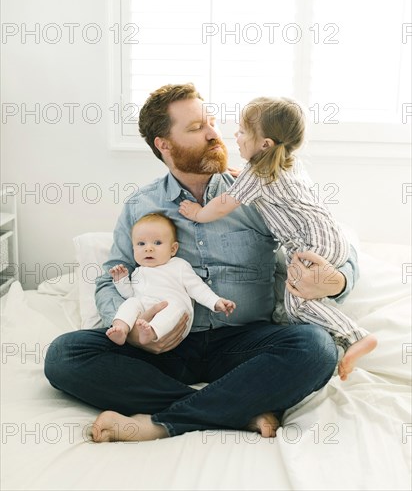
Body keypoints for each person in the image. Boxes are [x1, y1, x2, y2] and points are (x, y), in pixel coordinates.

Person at [44, 83, 359, 444]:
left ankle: (160, 422)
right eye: (196, 128)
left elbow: (336, 249)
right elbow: (109, 278)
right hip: (164, 343)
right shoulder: (140, 206)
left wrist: (336, 282)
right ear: (164, 144)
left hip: (245, 343)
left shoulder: (258, 189)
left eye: (210, 122)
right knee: (65, 355)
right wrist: (133, 330)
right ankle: (237, 409)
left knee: (315, 348)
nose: (214, 134)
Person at [179, 96, 377, 380]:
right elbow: (260, 187)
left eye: (243, 131)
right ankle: (339, 340)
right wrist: (242, 176)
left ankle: (356, 336)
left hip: (313, 245)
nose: (235, 135)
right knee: (299, 305)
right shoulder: (284, 165)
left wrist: (198, 214)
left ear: (265, 145)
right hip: (329, 237)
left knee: (297, 302)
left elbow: (224, 203)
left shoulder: (256, 174)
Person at [106, 212, 236, 346]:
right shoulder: (138, 272)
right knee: (131, 302)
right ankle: (121, 329)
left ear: (173, 249)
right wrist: (121, 280)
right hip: (144, 314)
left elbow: (197, 288)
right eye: (141, 243)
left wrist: (215, 302)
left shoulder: (178, 265)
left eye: (157, 243)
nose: (148, 248)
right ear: (133, 249)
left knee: (176, 305)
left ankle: (152, 332)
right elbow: (129, 294)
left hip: (174, 317)